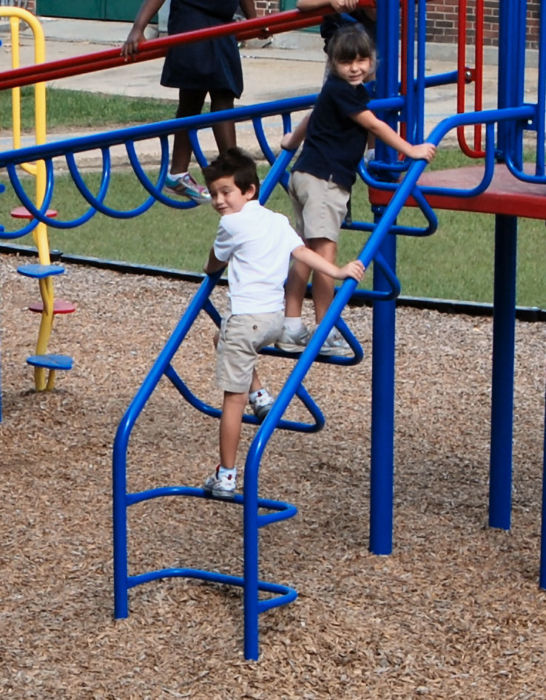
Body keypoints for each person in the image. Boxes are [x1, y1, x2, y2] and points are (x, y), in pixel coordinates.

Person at [201, 147, 365, 497]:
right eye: (214, 193)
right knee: (222, 338)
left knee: (232, 400)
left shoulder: (230, 223)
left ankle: (226, 476)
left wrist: (210, 269)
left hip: (246, 322)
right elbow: (302, 253)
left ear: (249, 191)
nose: (219, 200)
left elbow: (213, 264)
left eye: (226, 192)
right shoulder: (277, 220)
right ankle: (260, 395)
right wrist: (337, 270)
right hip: (275, 322)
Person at [277, 24, 436, 356]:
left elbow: (311, 117)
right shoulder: (345, 92)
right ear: (333, 63)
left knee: (305, 254)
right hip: (325, 182)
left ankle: (291, 326)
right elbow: (374, 125)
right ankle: (324, 329)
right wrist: (411, 150)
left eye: (362, 60)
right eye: (346, 62)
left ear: (371, 61)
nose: (355, 68)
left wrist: (291, 141)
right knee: (324, 258)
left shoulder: (335, 90)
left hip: (305, 175)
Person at [121, 0, 257, 205]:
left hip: (222, 24)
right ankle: (185, 172)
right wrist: (138, 27)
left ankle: (229, 171)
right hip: (193, 19)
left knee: (221, 94)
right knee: (197, 95)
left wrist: (254, 21)